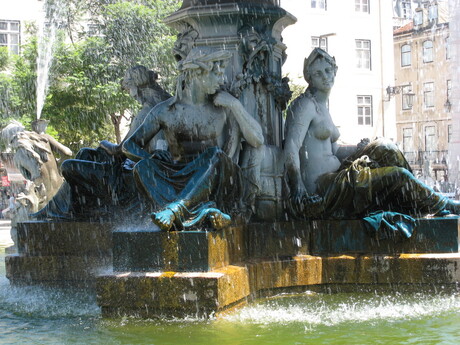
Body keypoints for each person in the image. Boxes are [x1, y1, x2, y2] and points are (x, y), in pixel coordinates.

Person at [284, 48, 460, 222]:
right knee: (398, 175)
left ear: (335, 71)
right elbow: (291, 146)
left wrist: (361, 148)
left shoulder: (322, 107)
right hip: (323, 187)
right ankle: (443, 205)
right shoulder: (304, 105)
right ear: (309, 77)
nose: (325, 76)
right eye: (318, 73)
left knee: (385, 146)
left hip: (336, 177)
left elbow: (334, 150)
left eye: (328, 70)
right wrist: (297, 186)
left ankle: (416, 203)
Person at [123, 48, 264, 231]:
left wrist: (235, 105)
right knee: (143, 167)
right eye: (217, 74)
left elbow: (258, 140)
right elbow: (129, 145)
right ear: (196, 74)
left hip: (217, 177)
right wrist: (150, 158)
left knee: (214, 155)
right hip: (178, 173)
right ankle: (200, 211)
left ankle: (176, 210)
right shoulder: (165, 111)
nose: (221, 80)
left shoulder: (223, 106)